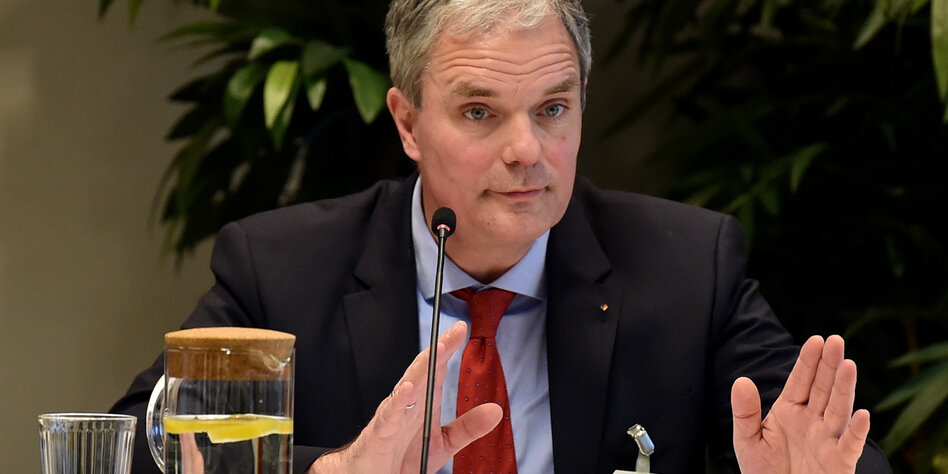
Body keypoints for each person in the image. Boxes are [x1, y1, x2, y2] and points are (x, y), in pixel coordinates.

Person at [112, 0, 893, 472]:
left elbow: (815, 448)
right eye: (480, 112)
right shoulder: (284, 271)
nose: (527, 150)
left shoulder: (687, 268)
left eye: (553, 108)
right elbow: (137, 449)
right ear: (408, 123)